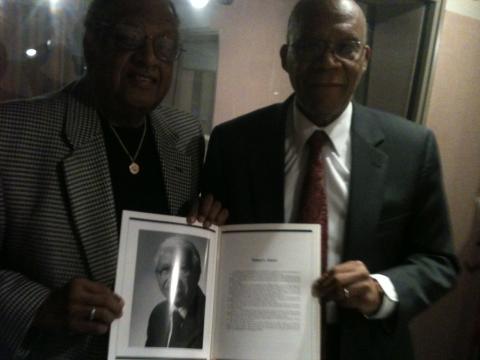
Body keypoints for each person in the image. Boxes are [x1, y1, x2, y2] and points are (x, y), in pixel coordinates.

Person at [202, 0, 459, 359]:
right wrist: (200, 224)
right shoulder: (233, 142)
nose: (327, 61)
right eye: (309, 46)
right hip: (255, 343)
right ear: (285, 56)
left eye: (345, 47)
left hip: (366, 345)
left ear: (365, 57)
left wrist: (381, 289)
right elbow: (207, 233)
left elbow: (439, 260)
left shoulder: (413, 149)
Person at [0, 0, 226, 359]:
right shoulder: (13, 133)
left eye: (164, 46)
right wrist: (42, 305)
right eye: (128, 39)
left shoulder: (185, 137)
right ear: (90, 44)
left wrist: (205, 224)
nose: (149, 58)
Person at [145, 237, 205, 348]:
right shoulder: (158, 314)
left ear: (197, 273)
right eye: (165, 270)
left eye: (183, 269)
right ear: (157, 275)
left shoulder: (208, 314)